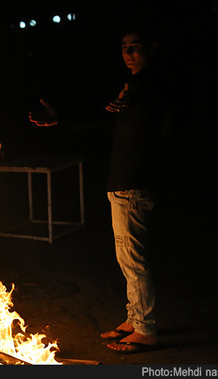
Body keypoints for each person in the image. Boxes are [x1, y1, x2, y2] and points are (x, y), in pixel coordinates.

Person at [30, 26, 170, 354]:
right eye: (124, 47)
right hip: (123, 183)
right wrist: (60, 120)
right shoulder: (135, 86)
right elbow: (102, 118)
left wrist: (115, 101)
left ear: (152, 47)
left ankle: (146, 329)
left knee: (134, 260)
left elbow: (109, 113)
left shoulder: (148, 86)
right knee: (127, 259)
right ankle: (134, 320)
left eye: (136, 47)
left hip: (134, 183)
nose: (129, 53)